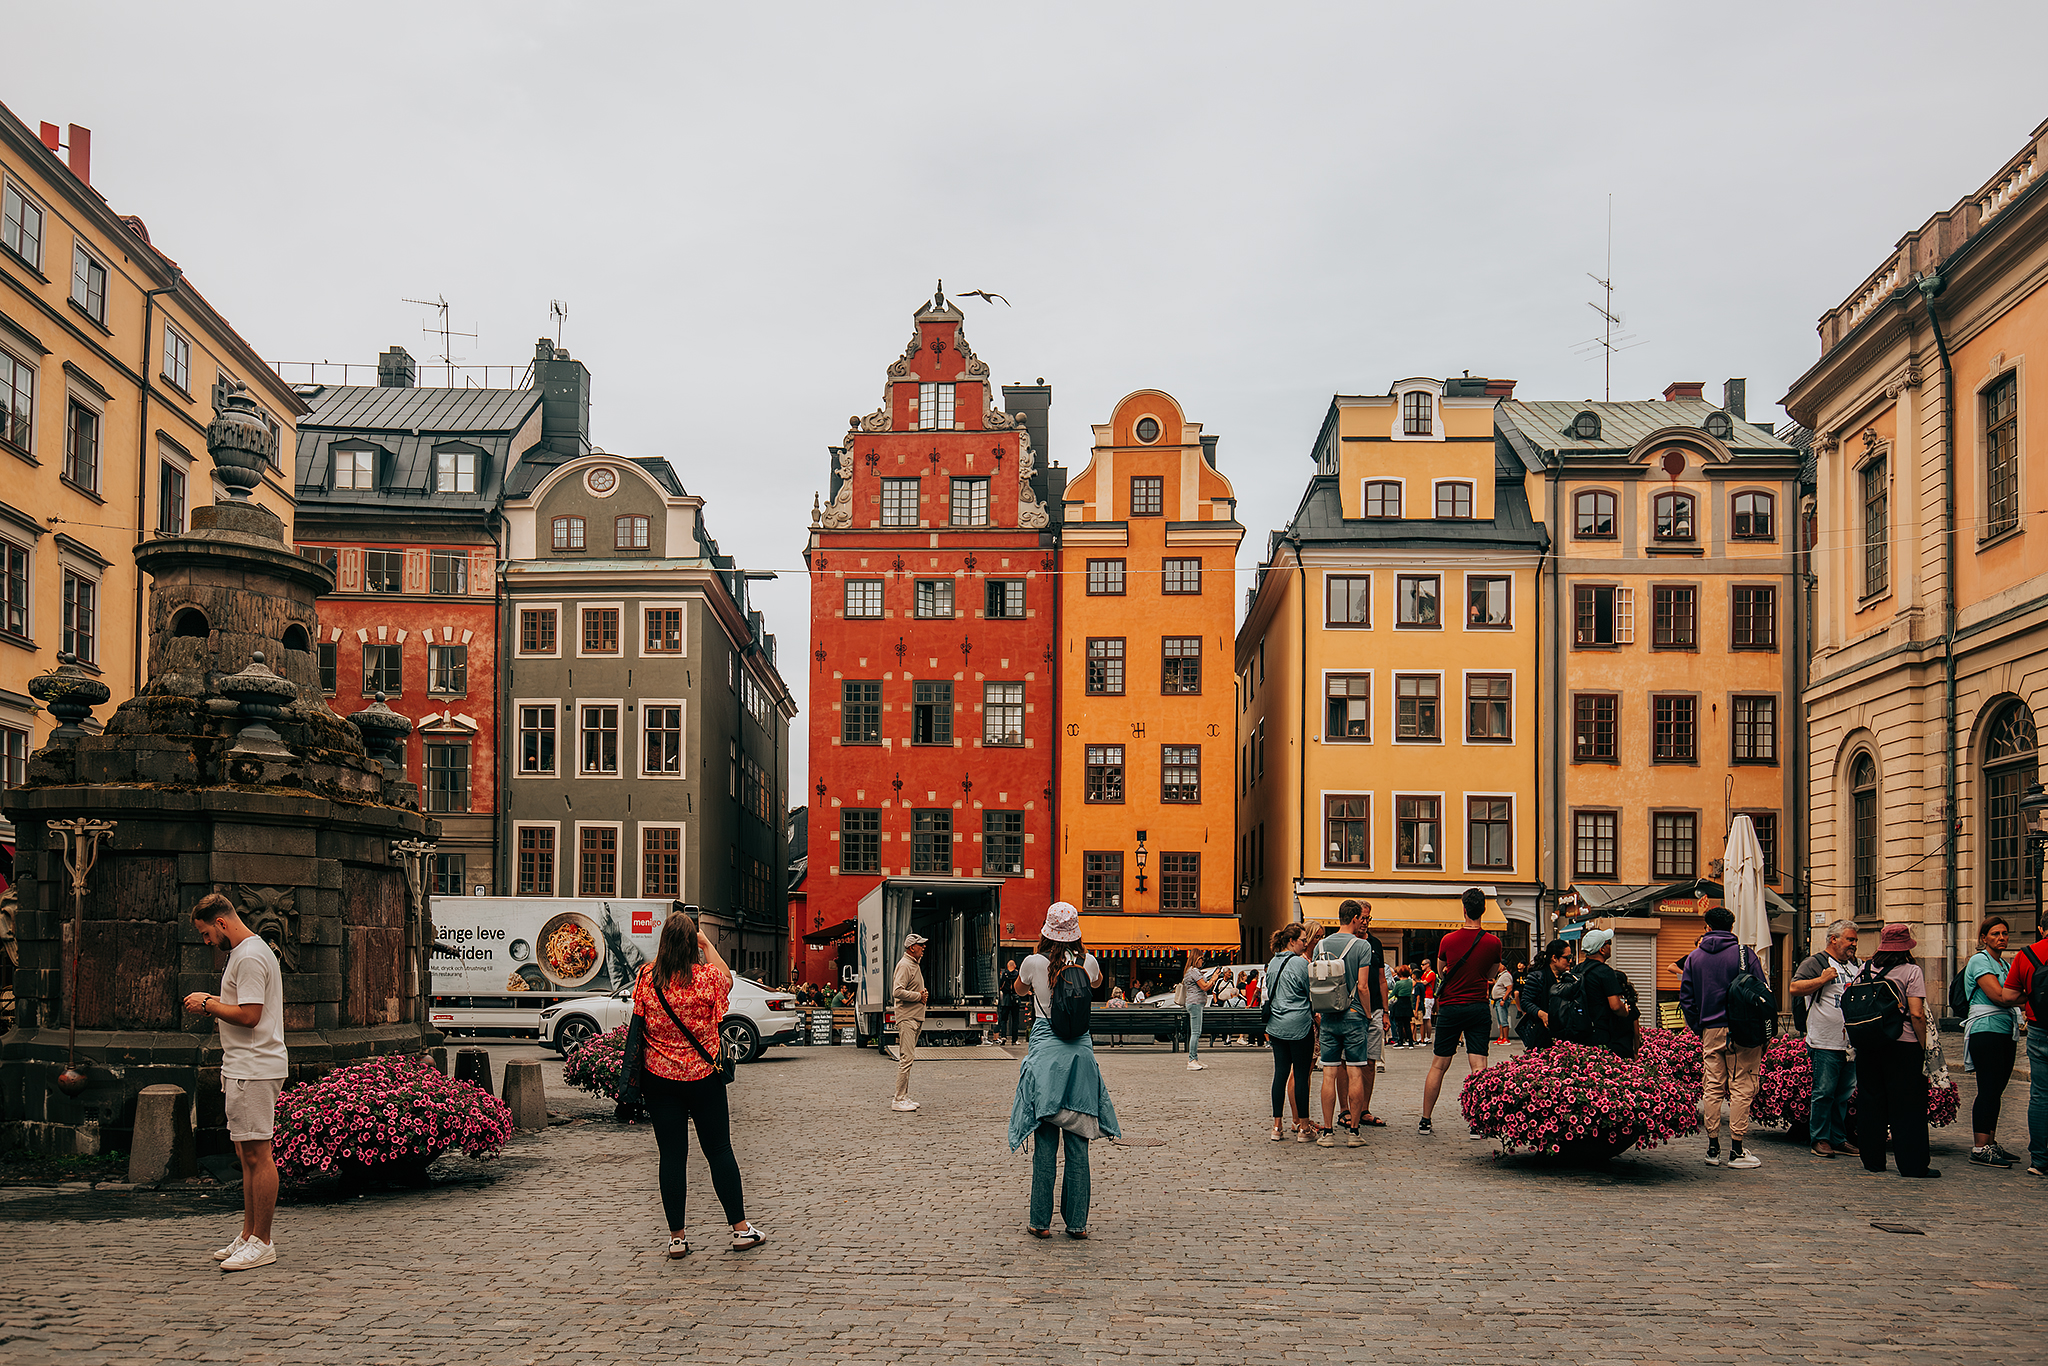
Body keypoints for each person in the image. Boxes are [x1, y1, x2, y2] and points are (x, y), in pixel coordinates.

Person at [618, 906, 764, 1256]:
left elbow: (639, 1023)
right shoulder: (706, 979)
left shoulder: (647, 977)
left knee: (671, 1156)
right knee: (718, 1150)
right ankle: (740, 1229)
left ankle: (677, 1238)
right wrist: (705, 942)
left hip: (660, 1079)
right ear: (690, 944)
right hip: (703, 1079)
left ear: (664, 943)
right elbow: (727, 977)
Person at [184, 892, 287, 1273]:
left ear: (222, 923)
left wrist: (207, 1003)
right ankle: (248, 1236)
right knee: (247, 1156)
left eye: (207, 933)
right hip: (245, 1066)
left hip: (255, 1067)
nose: (207, 941)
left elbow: (250, 1016)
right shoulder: (246, 954)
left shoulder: (248, 956)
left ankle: (262, 1241)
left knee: (259, 1155)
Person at [1010, 903, 1118, 1238]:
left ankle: (1040, 1222)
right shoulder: (1088, 962)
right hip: (1080, 1056)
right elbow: (1097, 982)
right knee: (1078, 1144)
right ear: (1076, 932)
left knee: (1045, 1144)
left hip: (1046, 1053)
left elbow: (1019, 990)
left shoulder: (1033, 963)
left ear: (1046, 931)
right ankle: (1077, 1224)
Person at [1680, 906, 1769, 1170]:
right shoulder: (1745, 955)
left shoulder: (1694, 957)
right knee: (1743, 1085)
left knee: (1713, 1086)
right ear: (1732, 927)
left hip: (1711, 1029)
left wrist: (1701, 1027)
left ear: (1707, 927)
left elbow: (1687, 999)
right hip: (1743, 1030)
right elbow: (1761, 992)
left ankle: (1712, 1147)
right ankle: (1738, 1149)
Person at [1855, 923, 1939, 1178]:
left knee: (1871, 1101)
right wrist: (1924, 1048)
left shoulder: (1864, 969)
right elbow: (1916, 1013)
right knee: (1908, 1106)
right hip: (1903, 1045)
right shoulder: (1911, 971)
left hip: (1869, 1044)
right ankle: (1912, 1164)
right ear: (1906, 947)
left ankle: (1872, 1160)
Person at [1418, 890, 1503, 1138]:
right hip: (1477, 1007)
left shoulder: (1448, 940)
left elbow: (1442, 970)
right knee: (1479, 1067)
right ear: (1483, 910)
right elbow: (1491, 974)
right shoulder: (1493, 942)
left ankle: (1425, 1120)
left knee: (1439, 1065)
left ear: (1464, 909)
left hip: (1451, 1007)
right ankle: (1478, 1123)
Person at [1791, 920, 1864, 1159]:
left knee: (1843, 1094)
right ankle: (1820, 1138)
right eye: (1850, 939)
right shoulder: (1816, 962)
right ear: (1833, 939)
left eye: (1854, 939)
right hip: (1824, 1041)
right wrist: (1822, 980)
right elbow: (1795, 988)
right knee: (1824, 1092)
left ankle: (1838, 1138)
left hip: (1851, 1043)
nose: (1854, 944)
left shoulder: (1856, 965)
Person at [1312, 900, 1381, 1147]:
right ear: (1354, 918)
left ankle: (1328, 1132)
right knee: (1355, 1072)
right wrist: (1369, 1013)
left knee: (1329, 1074)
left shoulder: (1320, 944)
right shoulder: (1362, 946)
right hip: (1353, 1014)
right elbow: (1363, 986)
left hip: (1328, 1014)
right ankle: (1354, 1133)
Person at [1961, 918, 2025, 1167]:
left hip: (2004, 1031)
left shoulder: (2005, 964)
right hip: (1985, 1031)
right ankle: (1979, 1147)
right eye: (1996, 933)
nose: (2002, 937)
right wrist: (2028, 998)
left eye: (2005, 933)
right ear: (1984, 938)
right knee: (1987, 1089)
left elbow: (2011, 995)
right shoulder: (1979, 961)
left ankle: (1990, 1143)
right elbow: (1999, 995)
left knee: (1996, 1091)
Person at [2002, 936, 2048, 1177]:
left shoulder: (2026, 954)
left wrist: (2033, 998)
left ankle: (2040, 1160)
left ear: (2042, 928)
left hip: (2040, 1030)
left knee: (2040, 1095)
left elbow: (2008, 996)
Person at [1264, 925, 1315, 1142]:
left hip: (1276, 1025)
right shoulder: (1301, 963)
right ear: (1292, 941)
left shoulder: (1272, 963)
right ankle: (1304, 1127)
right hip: (1300, 1024)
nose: (1305, 943)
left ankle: (1277, 1126)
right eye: (1303, 940)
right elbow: (1310, 990)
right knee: (1301, 1076)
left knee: (1280, 1074)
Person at [1572, 929, 1638, 1056]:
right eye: (1609, 943)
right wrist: (1625, 1011)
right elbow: (1615, 1006)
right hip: (1600, 1031)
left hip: (1579, 1029)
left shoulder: (1577, 969)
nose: (1610, 946)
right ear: (1602, 949)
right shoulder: (1605, 972)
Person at [891, 932, 930, 1111]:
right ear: (912, 947)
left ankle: (904, 1096)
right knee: (906, 1058)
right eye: (920, 945)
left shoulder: (913, 964)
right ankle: (898, 1099)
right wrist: (918, 996)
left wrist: (921, 995)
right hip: (907, 1017)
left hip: (913, 1016)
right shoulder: (906, 965)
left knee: (909, 1058)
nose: (923, 948)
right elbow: (897, 991)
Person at [1516, 940, 1574, 1050]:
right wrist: (1542, 1014)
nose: (1570, 961)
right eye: (1567, 957)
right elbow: (1525, 1002)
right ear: (1554, 958)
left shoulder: (1568, 978)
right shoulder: (1537, 977)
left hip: (1565, 1033)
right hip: (1542, 1033)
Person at [1181, 951, 1225, 1071]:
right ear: (1196, 958)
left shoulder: (1191, 971)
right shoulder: (1194, 971)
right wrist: (1214, 978)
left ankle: (1194, 1058)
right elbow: (1205, 986)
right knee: (1196, 1032)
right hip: (1195, 1003)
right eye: (1201, 959)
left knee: (1196, 1032)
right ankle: (1191, 1060)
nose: (1202, 961)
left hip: (1195, 1003)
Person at [1389, 967, 1416, 1047]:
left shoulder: (1398, 983)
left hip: (1400, 1003)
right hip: (1407, 1002)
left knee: (1399, 1024)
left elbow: (1393, 993)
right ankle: (1410, 1042)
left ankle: (1400, 1041)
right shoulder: (1411, 982)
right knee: (1407, 1023)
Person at [998, 958, 1022, 1046]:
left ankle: (1003, 1036)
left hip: (1006, 999)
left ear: (1008, 966)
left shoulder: (1004, 974)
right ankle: (1014, 1039)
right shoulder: (1018, 974)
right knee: (1015, 1020)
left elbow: (1000, 985)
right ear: (1014, 966)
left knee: (1004, 1019)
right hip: (1015, 999)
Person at [1489, 964, 1515, 1044]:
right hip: (1497, 1000)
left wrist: (1504, 999)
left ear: (1504, 966)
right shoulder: (1500, 976)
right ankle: (1501, 1037)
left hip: (1501, 999)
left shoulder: (1506, 976)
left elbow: (1509, 988)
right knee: (1500, 1020)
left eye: (1499, 965)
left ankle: (1506, 1038)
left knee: (1503, 1019)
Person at [1417, 958, 1437, 1046]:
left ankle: (1428, 1037)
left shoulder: (1431, 973)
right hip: (1424, 995)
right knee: (1424, 1018)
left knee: (1427, 1017)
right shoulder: (1425, 973)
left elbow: (1424, 982)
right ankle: (1423, 1036)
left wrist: (1418, 981)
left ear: (1428, 964)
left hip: (1429, 996)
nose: (1421, 966)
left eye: (1423, 964)